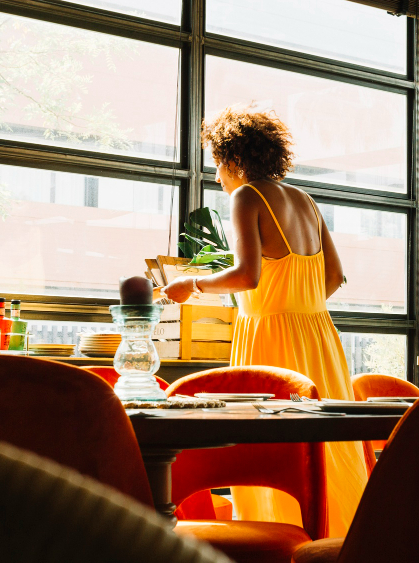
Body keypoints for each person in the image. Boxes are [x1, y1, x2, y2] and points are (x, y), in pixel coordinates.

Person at [162, 107, 368, 537]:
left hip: (270, 335)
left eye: (218, 164)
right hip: (318, 334)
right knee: (329, 449)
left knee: (270, 449)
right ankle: (340, 544)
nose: (217, 177)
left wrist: (190, 285)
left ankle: (280, 544)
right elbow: (334, 276)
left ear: (235, 160)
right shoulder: (306, 201)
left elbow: (246, 276)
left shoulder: (247, 196)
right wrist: (297, 301)